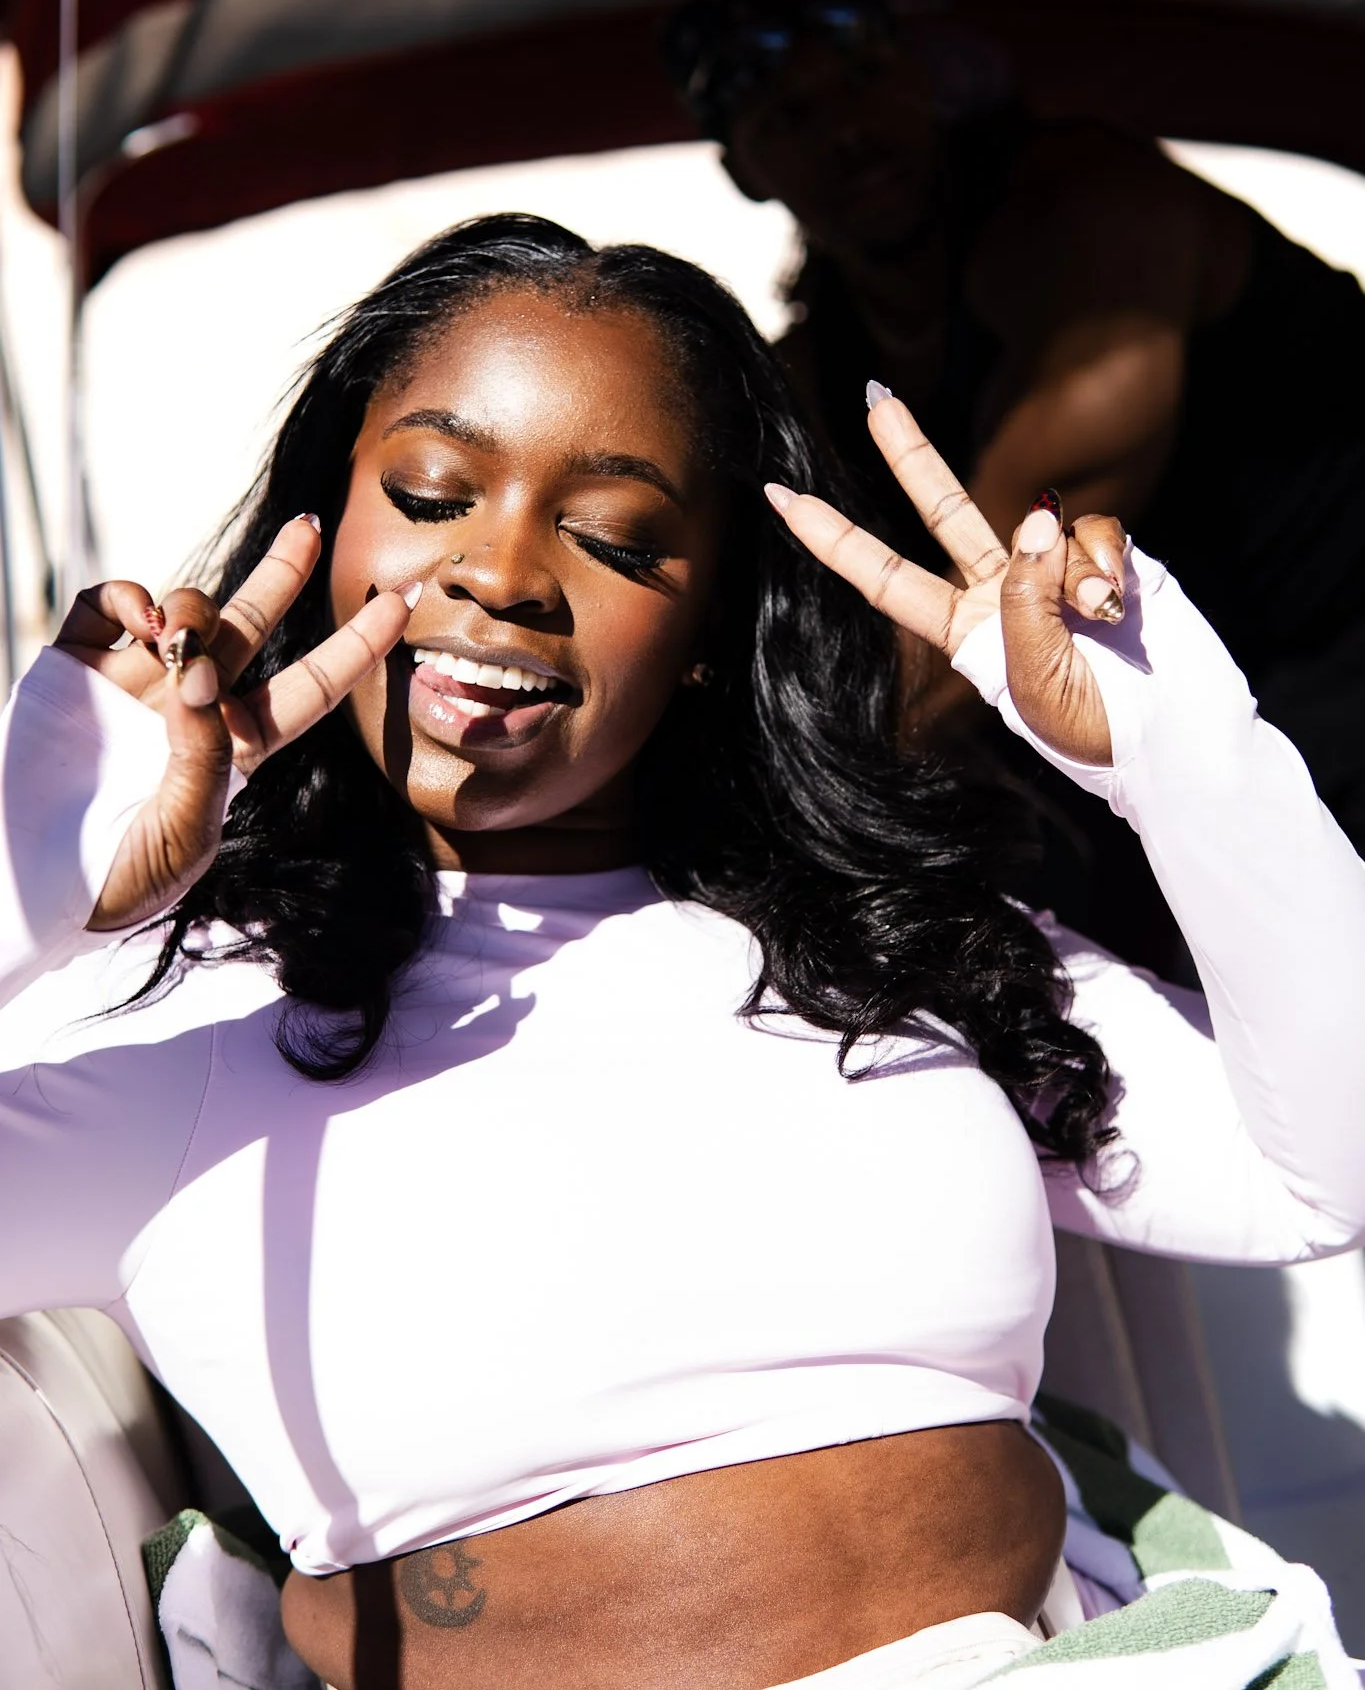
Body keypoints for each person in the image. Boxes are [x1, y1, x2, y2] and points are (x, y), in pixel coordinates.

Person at [2, 213, 1363, 1690]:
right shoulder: (178, 1019)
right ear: (329, 527)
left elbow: (1322, 1172)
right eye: (432, 490)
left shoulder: (880, 945)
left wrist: (1170, 750)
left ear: (712, 624)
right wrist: (35, 883)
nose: (504, 572)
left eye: (614, 534)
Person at [661, 0, 1365, 893]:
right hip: (1166, 738)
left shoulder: (1093, 212)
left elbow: (1007, 586)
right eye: (789, 114)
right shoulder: (821, 361)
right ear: (744, 168)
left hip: (1330, 663)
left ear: (921, 77)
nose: (846, 130)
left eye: (862, 77)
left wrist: (790, 807)